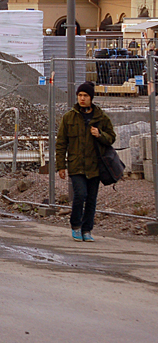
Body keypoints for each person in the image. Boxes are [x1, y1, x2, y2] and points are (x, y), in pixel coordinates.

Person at [56, 82, 116, 242]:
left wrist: (100, 134)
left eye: (85, 96)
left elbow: (111, 137)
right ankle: (75, 225)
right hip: (76, 165)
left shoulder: (101, 118)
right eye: (80, 95)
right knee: (80, 194)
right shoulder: (69, 117)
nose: (82, 99)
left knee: (91, 199)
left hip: (95, 166)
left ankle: (87, 230)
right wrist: (61, 166)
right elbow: (61, 143)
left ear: (91, 98)